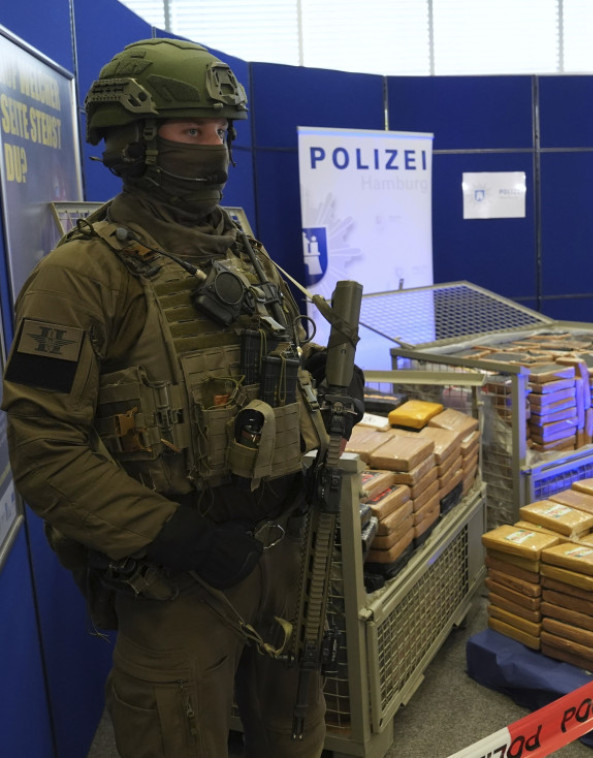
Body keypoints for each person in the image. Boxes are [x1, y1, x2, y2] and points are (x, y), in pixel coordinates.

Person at [1, 38, 362, 757]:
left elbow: (269, 361)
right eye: (192, 130)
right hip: (177, 578)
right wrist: (175, 536)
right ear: (133, 142)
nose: (215, 150)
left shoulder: (239, 247)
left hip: (285, 547)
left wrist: (326, 375)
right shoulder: (79, 277)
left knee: (295, 735)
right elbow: (45, 451)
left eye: (222, 131)